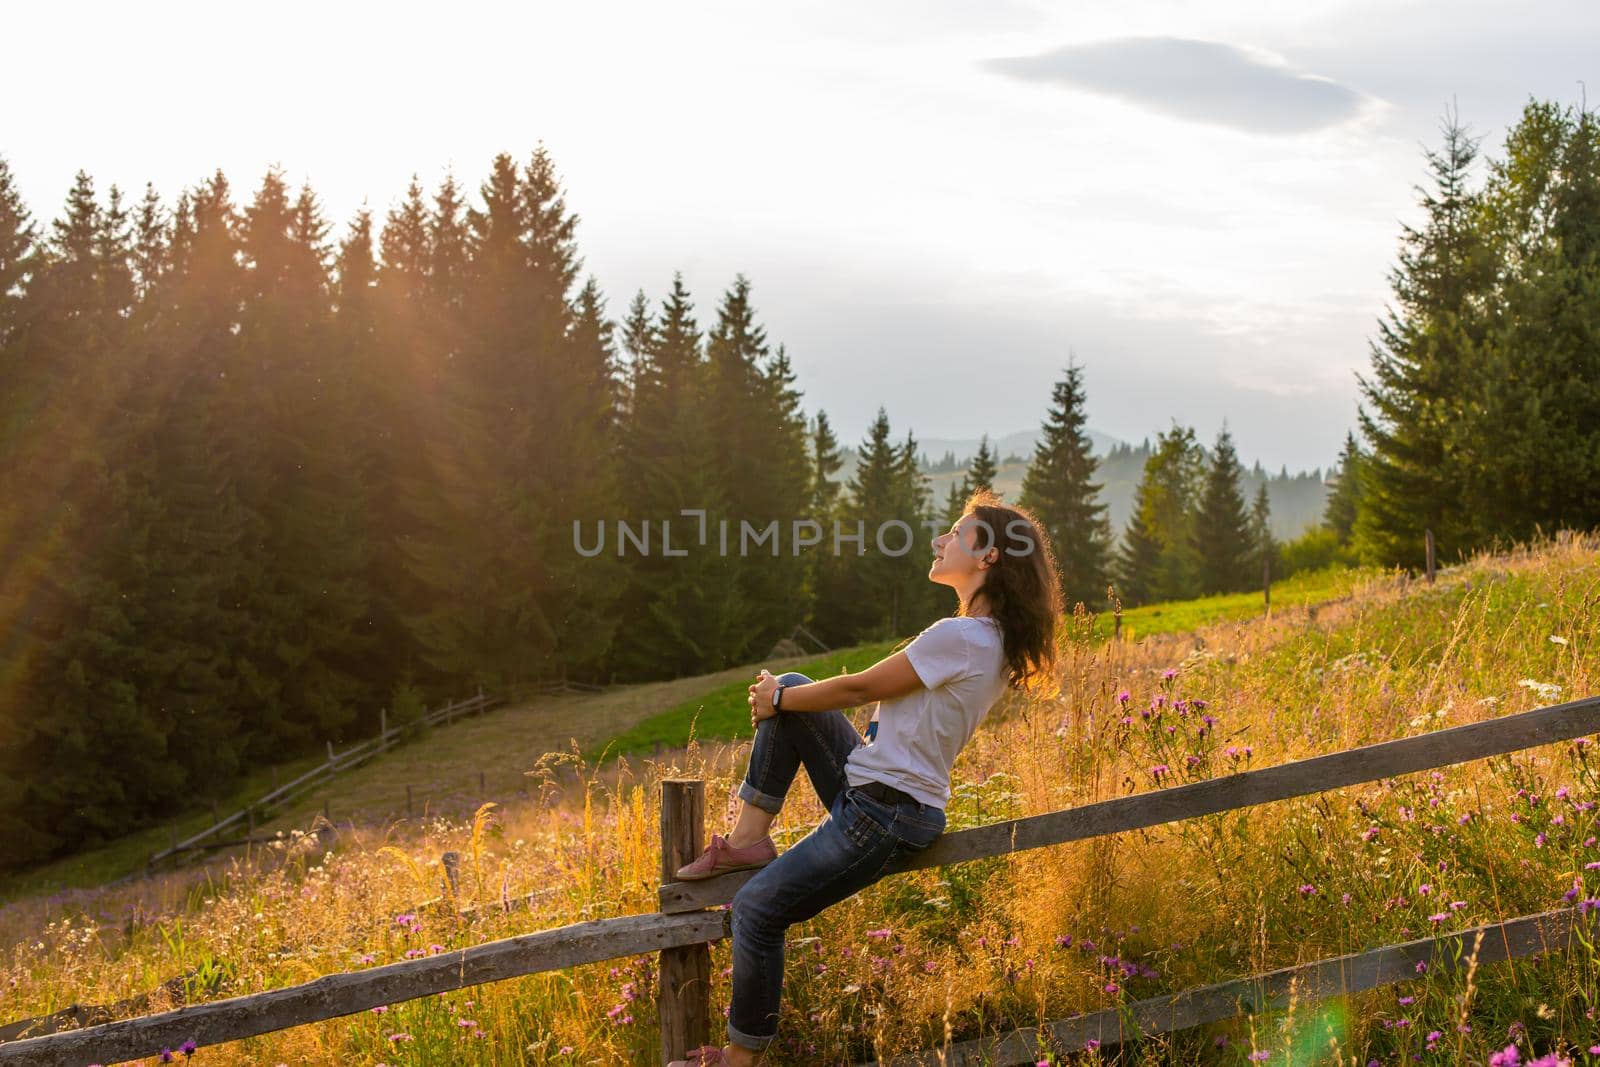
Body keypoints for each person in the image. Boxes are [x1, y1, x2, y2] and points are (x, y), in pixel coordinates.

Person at [667, 490, 1064, 1066]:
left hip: (884, 814)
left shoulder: (961, 637)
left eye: (956, 533)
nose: (939, 540)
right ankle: (749, 841)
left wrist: (776, 696)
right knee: (797, 688)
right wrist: (788, 696)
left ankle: (738, 1059)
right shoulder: (988, 638)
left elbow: (861, 688)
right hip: (878, 794)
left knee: (756, 911)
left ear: (988, 558)